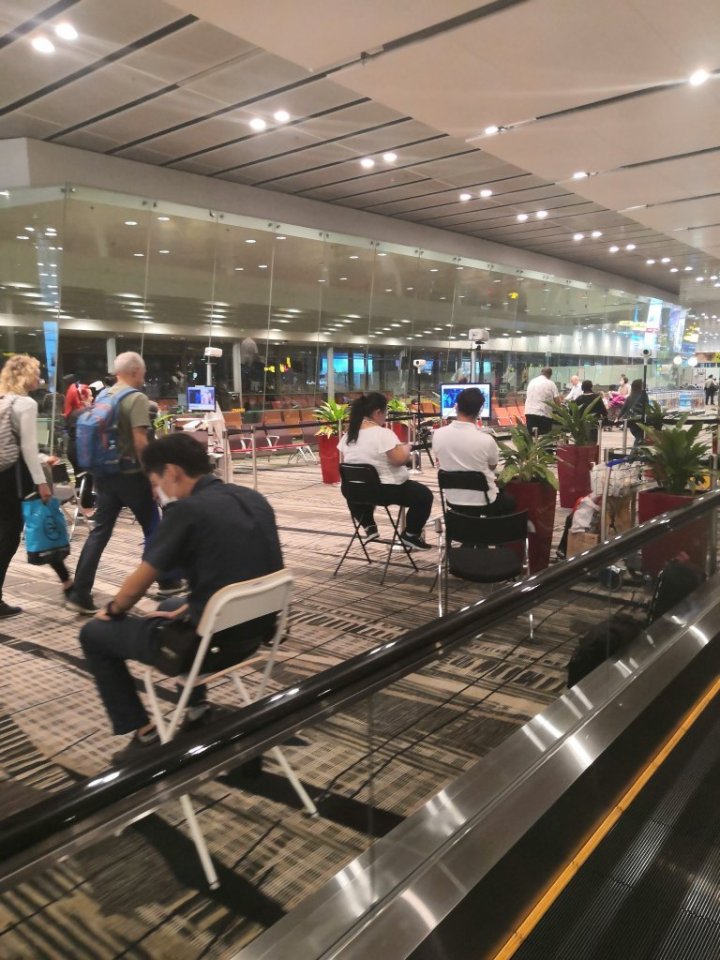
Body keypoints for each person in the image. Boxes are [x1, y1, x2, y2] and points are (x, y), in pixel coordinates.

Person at [79, 433, 283, 758]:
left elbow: (138, 584)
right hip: (255, 634)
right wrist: (189, 605)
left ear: (172, 472)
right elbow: (249, 568)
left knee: (93, 634)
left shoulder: (186, 511)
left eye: (154, 481)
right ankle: (196, 712)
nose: (154, 491)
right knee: (172, 603)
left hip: (208, 647)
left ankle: (144, 734)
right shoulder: (253, 497)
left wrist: (113, 610)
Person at [64, 351, 180, 615]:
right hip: (131, 475)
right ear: (136, 371)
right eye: (143, 372)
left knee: (99, 532)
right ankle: (167, 580)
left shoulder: (105, 395)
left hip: (105, 475)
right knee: (154, 527)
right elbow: (140, 441)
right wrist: (153, 476)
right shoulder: (136, 398)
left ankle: (80, 593)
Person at [0, 354, 74, 618]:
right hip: (18, 478)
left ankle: (68, 582)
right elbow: (28, 448)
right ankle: (68, 584)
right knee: (35, 526)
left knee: (26, 527)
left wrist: (42, 458)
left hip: (3, 474)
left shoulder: (2, 401)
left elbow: (14, 445)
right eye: (36, 372)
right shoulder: (26, 403)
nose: (39, 378)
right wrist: (42, 482)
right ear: (25, 376)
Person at [338, 392, 433, 550]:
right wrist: (406, 450)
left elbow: (348, 461)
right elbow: (399, 460)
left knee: (357, 487)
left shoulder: (349, 435)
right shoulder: (383, 434)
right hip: (384, 491)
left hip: (353, 491)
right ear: (377, 412)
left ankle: (369, 525)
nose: (386, 416)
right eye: (386, 412)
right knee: (424, 495)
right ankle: (411, 535)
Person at [431, 387, 515, 516]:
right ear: (480, 410)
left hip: (453, 500)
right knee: (510, 501)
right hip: (485, 501)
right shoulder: (486, 440)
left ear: (456, 406)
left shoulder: (438, 435)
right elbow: (492, 466)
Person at [524, 367, 558, 436]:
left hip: (529, 412)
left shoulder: (532, 381)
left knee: (532, 435)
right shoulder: (551, 383)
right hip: (543, 414)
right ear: (550, 375)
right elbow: (557, 400)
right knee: (544, 436)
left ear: (541, 373)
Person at [575, 380, 608, 444]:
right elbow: (604, 411)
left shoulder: (579, 399)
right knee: (592, 443)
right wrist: (605, 418)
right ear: (591, 386)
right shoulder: (597, 397)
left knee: (583, 443)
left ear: (582, 387)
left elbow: (574, 412)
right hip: (593, 424)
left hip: (582, 425)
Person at [619, 378, 648, 447]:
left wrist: (617, 418)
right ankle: (634, 452)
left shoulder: (630, 397)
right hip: (640, 421)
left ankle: (635, 451)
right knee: (640, 438)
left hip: (631, 422)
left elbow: (623, 409)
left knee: (638, 437)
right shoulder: (644, 395)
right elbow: (647, 407)